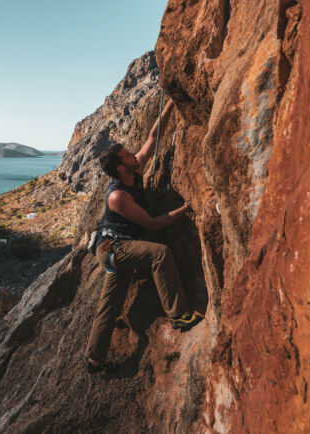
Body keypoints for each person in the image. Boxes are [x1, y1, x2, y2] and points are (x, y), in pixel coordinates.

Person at [85, 98, 203, 373]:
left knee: (108, 306)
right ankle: (180, 315)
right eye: (128, 156)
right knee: (158, 254)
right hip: (113, 249)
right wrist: (183, 210)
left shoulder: (133, 170)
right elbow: (151, 224)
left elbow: (153, 135)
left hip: (119, 249)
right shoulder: (118, 196)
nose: (134, 156)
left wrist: (172, 100)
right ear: (121, 170)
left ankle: (94, 359)